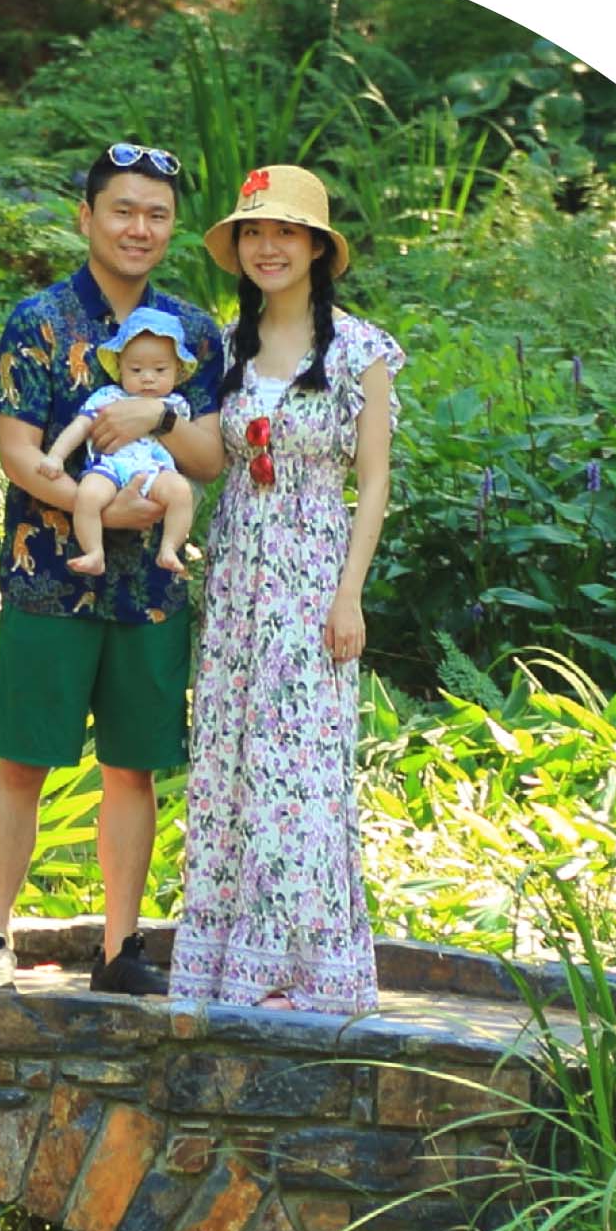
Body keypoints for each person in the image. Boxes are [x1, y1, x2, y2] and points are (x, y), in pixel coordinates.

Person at [0, 143, 225, 994]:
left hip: (152, 588)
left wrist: (163, 405)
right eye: (122, 210)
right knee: (22, 760)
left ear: (172, 228)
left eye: (156, 214)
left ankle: (120, 951)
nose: (138, 228)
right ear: (87, 218)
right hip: (50, 574)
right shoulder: (38, 321)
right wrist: (101, 506)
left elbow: (211, 455)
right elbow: (18, 452)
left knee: (133, 767)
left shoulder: (192, 332)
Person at [169, 164, 404, 1015]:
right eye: (253, 233)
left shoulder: (361, 352)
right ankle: (233, 961)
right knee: (231, 761)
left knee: (302, 767)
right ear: (238, 249)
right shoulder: (222, 350)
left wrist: (351, 594)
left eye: (286, 233)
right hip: (236, 576)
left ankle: (302, 971)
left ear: (317, 249)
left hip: (312, 573)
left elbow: (373, 482)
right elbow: (207, 458)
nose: (268, 247)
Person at [36, 306, 198, 579]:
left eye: (160, 369)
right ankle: (94, 552)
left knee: (181, 492)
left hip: (156, 469)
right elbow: (80, 426)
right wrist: (56, 456)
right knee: (87, 495)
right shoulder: (108, 396)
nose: (148, 377)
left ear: (177, 370)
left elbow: (186, 444)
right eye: (136, 369)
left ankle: (170, 546)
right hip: (111, 466)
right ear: (120, 368)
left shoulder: (175, 405)